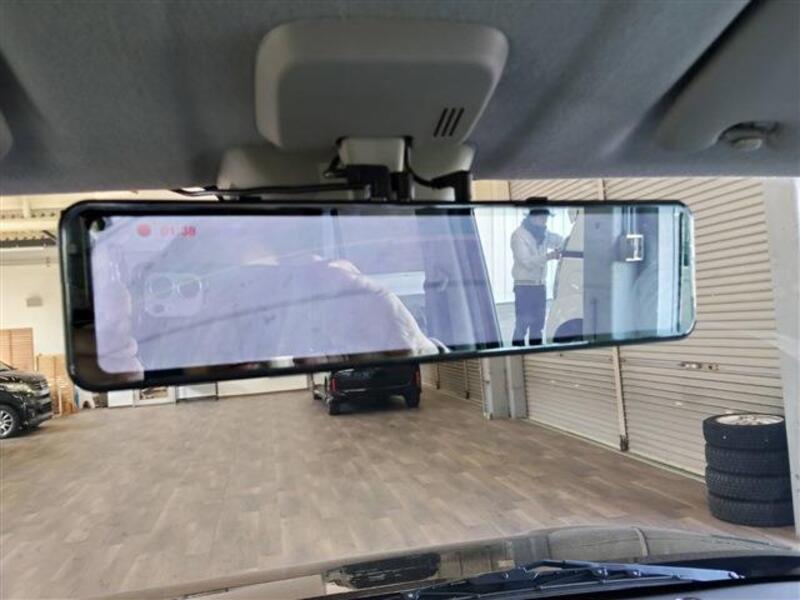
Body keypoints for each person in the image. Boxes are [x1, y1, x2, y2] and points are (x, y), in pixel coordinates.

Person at [510, 208, 564, 346]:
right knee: (522, 325)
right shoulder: (518, 236)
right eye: (542, 217)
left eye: (546, 217)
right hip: (524, 287)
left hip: (540, 285)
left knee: (538, 325)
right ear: (532, 217)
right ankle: (517, 352)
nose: (545, 220)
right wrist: (549, 256)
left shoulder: (544, 233)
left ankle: (536, 351)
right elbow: (527, 262)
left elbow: (561, 241)